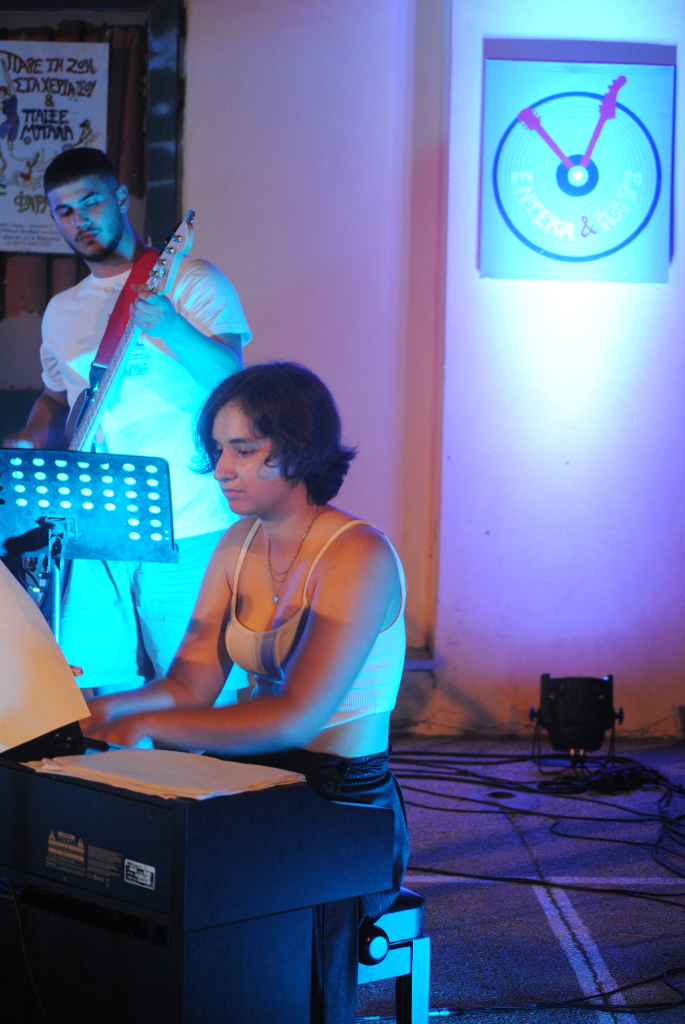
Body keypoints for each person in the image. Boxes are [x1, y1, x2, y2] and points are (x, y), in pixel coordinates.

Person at [83, 361, 410, 1024]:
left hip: (342, 803)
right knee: (126, 876)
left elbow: (294, 719)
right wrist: (86, 713)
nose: (221, 469)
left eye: (243, 449)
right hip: (255, 780)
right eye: (217, 449)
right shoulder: (239, 541)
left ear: (298, 449)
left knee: (225, 919)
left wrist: (146, 729)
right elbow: (187, 684)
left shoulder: (358, 554)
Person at [1, 147, 251, 696]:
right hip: (91, 527)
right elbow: (57, 398)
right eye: (65, 211)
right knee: (94, 685)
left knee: (198, 691)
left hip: (188, 521)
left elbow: (233, 380)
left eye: (91, 202)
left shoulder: (191, 280)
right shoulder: (61, 310)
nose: (80, 220)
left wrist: (173, 328)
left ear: (119, 198)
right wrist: (31, 435)